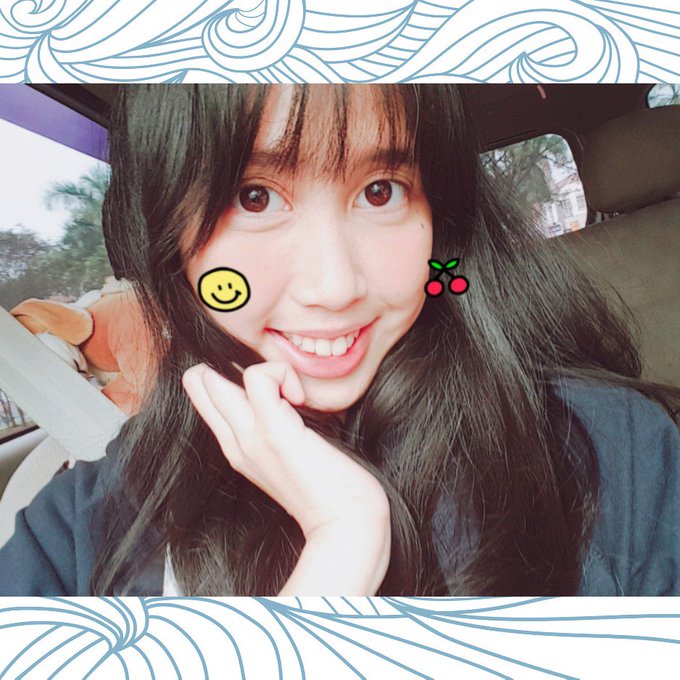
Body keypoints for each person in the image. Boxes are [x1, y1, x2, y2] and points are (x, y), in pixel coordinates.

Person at [1, 84, 679, 597]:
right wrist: (341, 550)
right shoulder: (79, 530)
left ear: (436, 224)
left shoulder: (614, 455)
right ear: (170, 239)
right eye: (254, 197)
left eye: (381, 192)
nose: (333, 287)